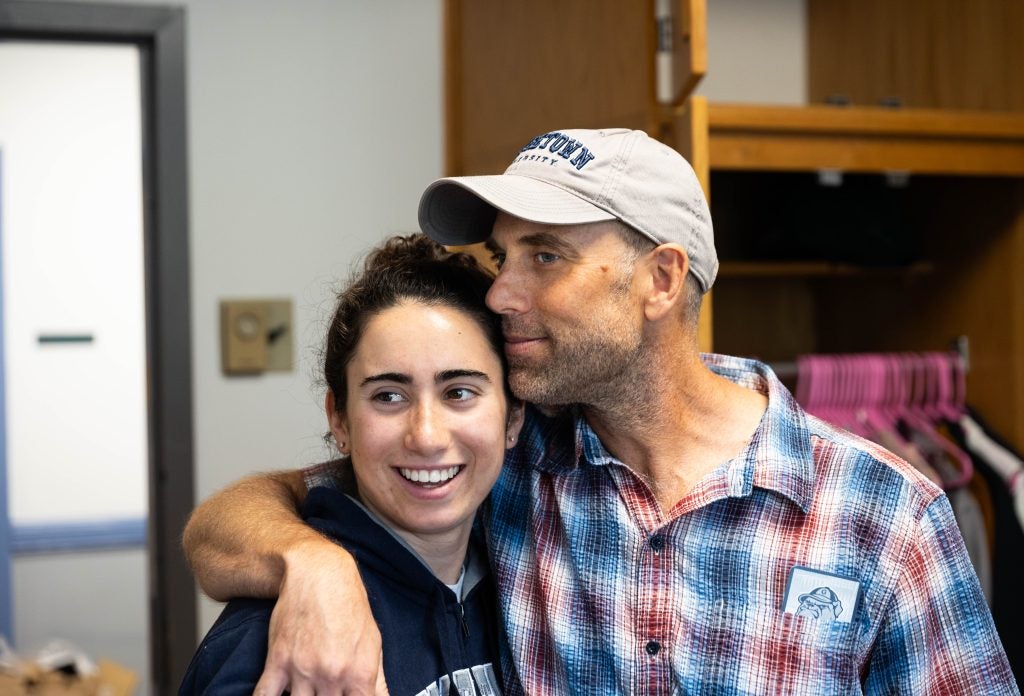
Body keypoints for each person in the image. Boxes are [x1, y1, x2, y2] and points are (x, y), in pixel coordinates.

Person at [183, 128, 1018, 694]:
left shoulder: (886, 517)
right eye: (502, 256)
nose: (502, 294)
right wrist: (312, 564)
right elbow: (238, 516)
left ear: (659, 280)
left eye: (547, 257)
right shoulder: (501, 461)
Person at [179, 234, 523, 695]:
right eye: (388, 396)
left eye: (459, 392)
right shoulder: (283, 641)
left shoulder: (529, 591)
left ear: (512, 418)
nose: (426, 436)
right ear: (339, 419)